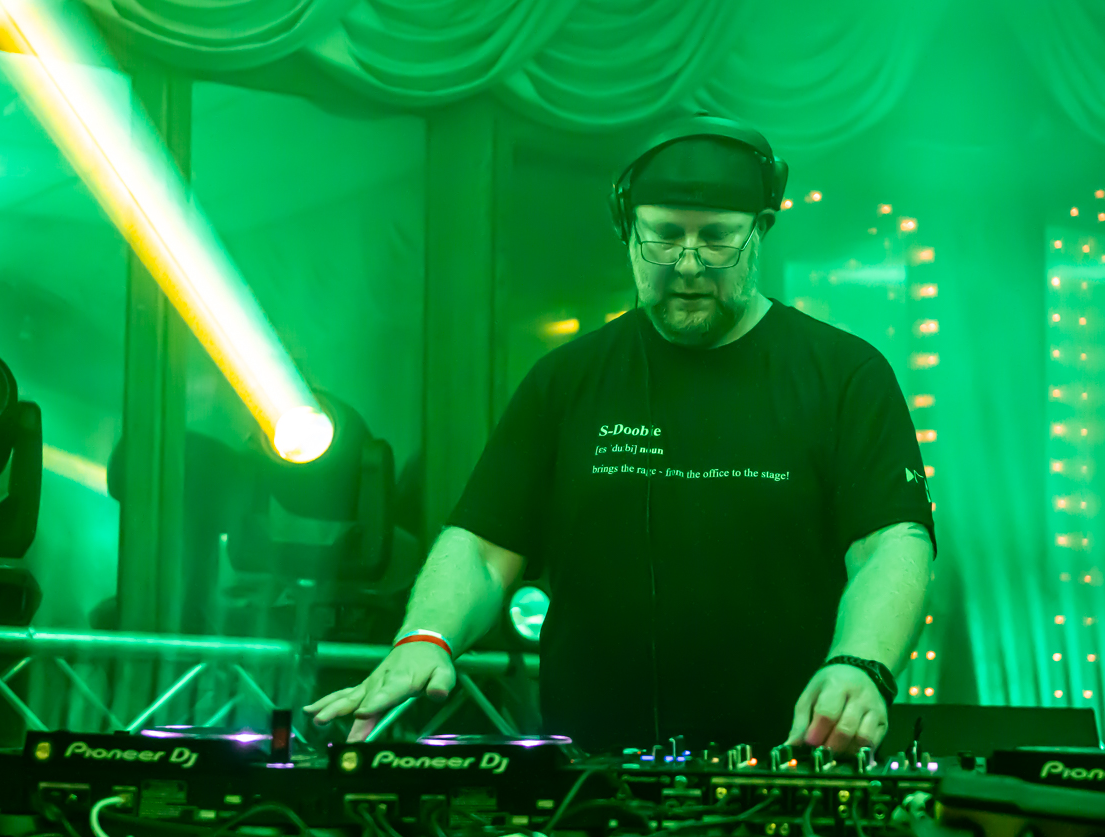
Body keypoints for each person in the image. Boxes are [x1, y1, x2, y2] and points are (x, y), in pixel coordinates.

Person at [306, 115, 937, 754]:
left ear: (762, 231)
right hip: (592, 781)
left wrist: (861, 664)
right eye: (664, 236)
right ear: (627, 230)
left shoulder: (845, 377)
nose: (688, 264)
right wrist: (425, 636)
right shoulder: (566, 380)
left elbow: (890, 544)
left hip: (794, 765)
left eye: (718, 239)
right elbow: (483, 547)